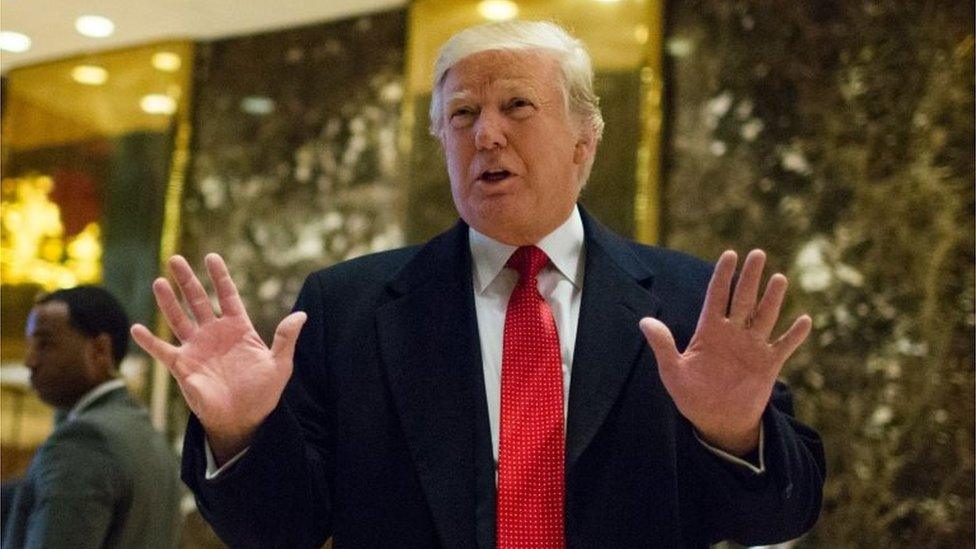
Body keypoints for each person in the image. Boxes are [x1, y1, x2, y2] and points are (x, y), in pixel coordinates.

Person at [132, 21, 825, 548]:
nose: (486, 134)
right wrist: (241, 431)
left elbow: (780, 514)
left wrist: (735, 434)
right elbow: (282, 529)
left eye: (517, 106)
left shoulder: (689, 301)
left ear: (585, 140)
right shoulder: (347, 308)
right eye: (462, 115)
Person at [4, 286, 182, 549]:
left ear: (99, 350)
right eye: (31, 345)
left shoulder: (83, 440)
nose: (30, 361)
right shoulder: (145, 433)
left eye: (45, 344)